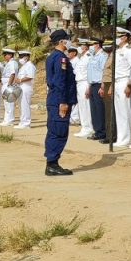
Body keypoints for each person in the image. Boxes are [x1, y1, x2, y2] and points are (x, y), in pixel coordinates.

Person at [44, 29, 77, 176]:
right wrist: (63, 101)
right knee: (59, 132)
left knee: (54, 130)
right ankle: (52, 164)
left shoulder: (53, 56)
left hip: (54, 98)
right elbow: (60, 81)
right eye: (67, 39)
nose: (69, 42)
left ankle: (52, 163)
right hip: (59, 99)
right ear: (62, 41)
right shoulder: (60, 58)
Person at [112, 28, 131, 147]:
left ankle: (127, 138)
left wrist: (129, 85)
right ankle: (121, 137)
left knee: (125, 111)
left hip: (124, 81)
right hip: (116, 81)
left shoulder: (129, 51)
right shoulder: (117, 51)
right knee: (119, 111)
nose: (116, 38)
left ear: (125, 37)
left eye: (118, 36)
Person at [86, 38, 108, 141]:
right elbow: (91, 73)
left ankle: (102, 132)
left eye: (92, 44)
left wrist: (102, 86)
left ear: (98, 45)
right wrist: (89, 86)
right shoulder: (92, 56)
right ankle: (97, 131)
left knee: (100, 109)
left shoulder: (102, 56)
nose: (90, 46)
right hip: (93, 85)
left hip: (99, 84)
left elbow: (104, 72)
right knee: (94, 110)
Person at [72, 39, 93, 137]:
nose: (79, 47)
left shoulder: (88, 57)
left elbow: (90, 73)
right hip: (79, 83)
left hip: (85, 83)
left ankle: (88, 128)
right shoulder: (82, 57)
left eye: (80, 45)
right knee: (82, 107)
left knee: (86, 107)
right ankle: (85, 127)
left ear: (85, 46)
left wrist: (89, 86)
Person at [15, 50, 35, 129]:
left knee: (25, 105)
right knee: (21, 105)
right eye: (20, 57)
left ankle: (26, 123)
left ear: (26, 57)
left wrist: (20, 80)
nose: (20, 59)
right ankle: (22, 122)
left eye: (21, 57)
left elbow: (30, 76)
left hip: (26, 87)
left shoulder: (30, 65)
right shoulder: (24, 66)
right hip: (21, 87)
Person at [0, 49, 18, 127]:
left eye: (5, 55)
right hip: (5, 83)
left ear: (10, 55)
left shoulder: (12, 63)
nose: (4, 56)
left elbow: (12, 74)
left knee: (9, 103)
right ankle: (6, 120)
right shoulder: (9, 63)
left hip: (8, 83)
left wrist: (9, 84)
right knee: (6, 103)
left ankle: (10, 120)